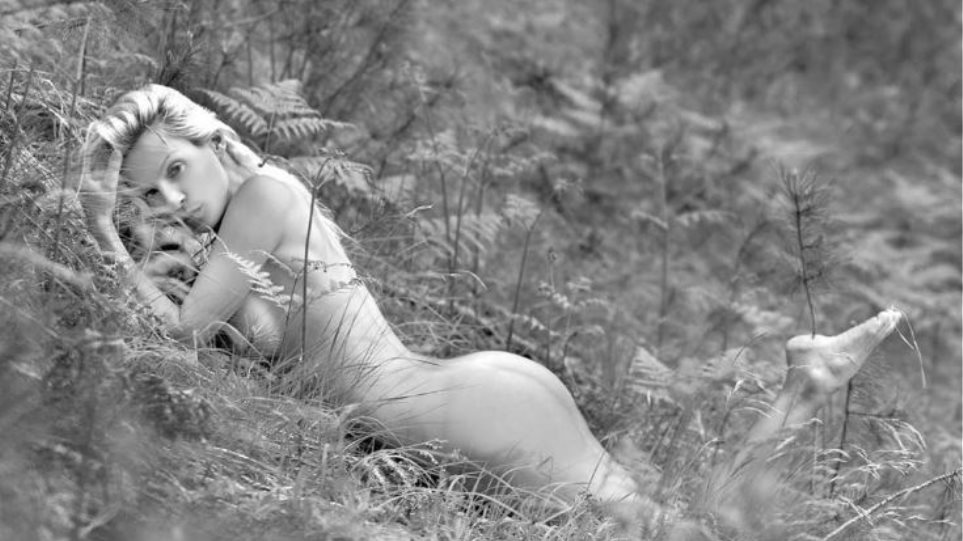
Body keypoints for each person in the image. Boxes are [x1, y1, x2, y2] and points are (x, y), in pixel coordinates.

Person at [74, 84, 901, 533]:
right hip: (460, 401)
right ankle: (804, 382)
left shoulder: (260, 196)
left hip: (460, 409)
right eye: (149, 193)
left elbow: (178, 335)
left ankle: (802, 384)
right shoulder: (247, 226)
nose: (171, 199)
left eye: (176, 170)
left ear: (214, 142)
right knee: (673, 530)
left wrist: (99, 224)